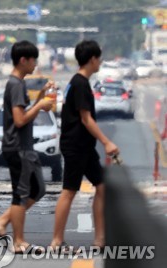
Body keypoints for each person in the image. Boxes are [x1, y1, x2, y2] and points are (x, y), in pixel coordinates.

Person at [50, 40, 119, 252]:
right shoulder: (79, 83)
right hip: (76, 145)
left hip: (84, 146)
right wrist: (106, 142)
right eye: (99, 58)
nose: (100, 62)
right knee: (69, 191)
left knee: (102, 187)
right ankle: (57, 241)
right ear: (92, 59)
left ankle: (100, 239)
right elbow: (86, 118)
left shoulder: (79, 82)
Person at [0, 40, 55, 254]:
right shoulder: (16, 84)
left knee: (38, 189)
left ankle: (1, 222)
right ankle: (18, 241)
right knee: (21, 193)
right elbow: (19, 120)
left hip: (23, 147)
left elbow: (24, 113)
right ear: (23, 60)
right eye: (33, 60)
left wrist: (42, 96)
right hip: (18, 147)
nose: (35, 64)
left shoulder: (18, 83)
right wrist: (41, 106)